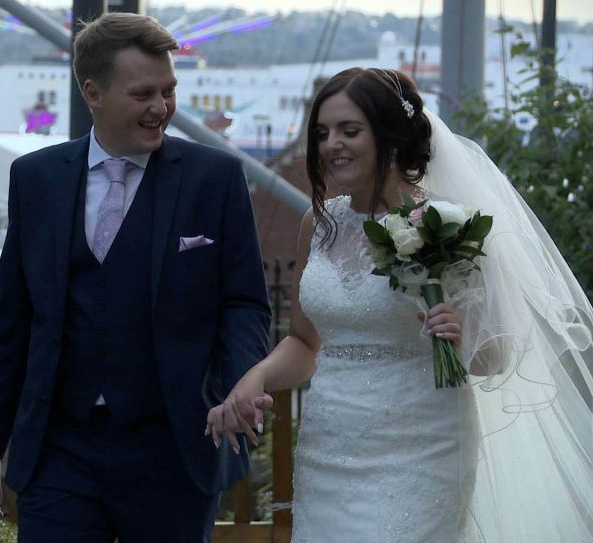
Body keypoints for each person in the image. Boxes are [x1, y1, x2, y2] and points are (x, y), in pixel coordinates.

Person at [206, 67, 593, 542]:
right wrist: (257, 376)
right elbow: (305, 344)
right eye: (323, 133)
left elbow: (495, 358)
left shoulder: (450, 225)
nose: (332, 145)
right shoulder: (319, 224)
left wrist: (461, 333)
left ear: (388, 136)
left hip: (423, 447)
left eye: (350, 131)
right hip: (329, 446)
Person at [0, 12, 273, 542]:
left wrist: (239, 385)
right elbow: (12, 321)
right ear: (93, 92)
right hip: (59, 451)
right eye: (143, 94)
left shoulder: (214, 179)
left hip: (173, 449)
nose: (162, 109)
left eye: (168, 91)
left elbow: (243, 303)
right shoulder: (35, 179)